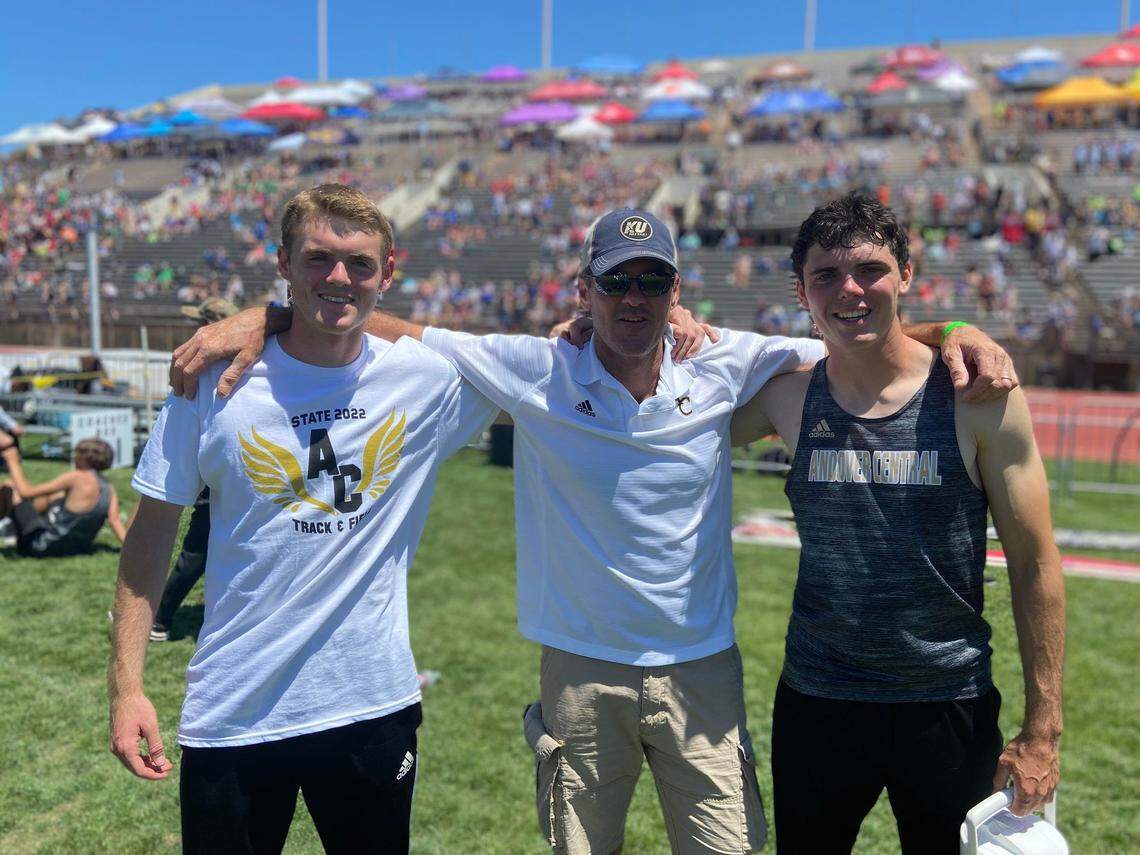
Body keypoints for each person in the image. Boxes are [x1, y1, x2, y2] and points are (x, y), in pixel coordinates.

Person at [173, 208, 1018, 854]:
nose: (635, 300)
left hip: (702, 674)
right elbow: (380, 321)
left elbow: (865, 339)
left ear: (677, 293)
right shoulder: (537, 367)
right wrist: (270, 315)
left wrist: (956, 330)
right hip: (579, 675)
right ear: (584, 290)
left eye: (653, 282)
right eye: (617, 282)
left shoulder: (729, 359)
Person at [107, 185, 497, 854]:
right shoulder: (211, 380)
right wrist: (128, 686)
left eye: (360, 264)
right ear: (282, 261)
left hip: (370, 706)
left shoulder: (426, 379)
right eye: (317, 259)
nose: (339, 277)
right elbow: (149, 537)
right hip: (234, 713)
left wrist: (273, 314)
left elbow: (564, 359)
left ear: (389, 271)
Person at [729, 194, 1064, 853]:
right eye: (826, 275)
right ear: (801, 291)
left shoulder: (977, 395)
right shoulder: (788, 397)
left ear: (906, 275)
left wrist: (1044, 728)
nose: (850, 289)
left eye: (871, 270)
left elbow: (1035, 561)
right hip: (817, 701)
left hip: (948, 704)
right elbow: (668, 419)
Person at [149, 297, 240, 643]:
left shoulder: (217, 368)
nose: (196, 329)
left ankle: (158, 618)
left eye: (202, 321)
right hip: (220, 471)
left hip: (219, 474)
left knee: (197, 551)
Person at [0, 436, 127, 556]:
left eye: (76, 454)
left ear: (84, 458)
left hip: (40, 546)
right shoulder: (108, 488)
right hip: (78, 548)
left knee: (10, 487)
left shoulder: (76, 477)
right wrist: (129, 547)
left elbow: (26, 492)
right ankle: (9, 526)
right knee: (56, 495)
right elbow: (114, 521)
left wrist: (13, 462)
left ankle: (7, 527)